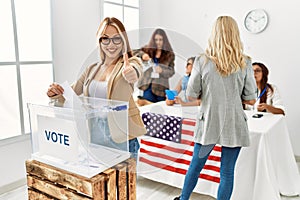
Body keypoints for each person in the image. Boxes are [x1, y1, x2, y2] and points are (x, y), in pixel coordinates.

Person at [174, 16, 257, 200]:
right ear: (236, 34)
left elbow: (191, 95)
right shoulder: (245, 62)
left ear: (214, 34)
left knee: (195, 167)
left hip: (209, 122)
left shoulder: (201, 61)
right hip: (234, 124)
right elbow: (251, 100)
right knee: (227, 172)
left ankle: (183, 199)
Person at [46, 17, 146, 158]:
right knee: (102, 180)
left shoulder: (130, 63)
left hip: (123, 138)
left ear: (123, 40)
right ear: (99, 41)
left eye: (116, 38)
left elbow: (136, 70)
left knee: (123, 180)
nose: (111, 44)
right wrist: (55, 93)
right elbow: (71, 94)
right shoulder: (91, 69)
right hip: (96, 138)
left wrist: (132, 73)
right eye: (105, 38)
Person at [136, 28, 175, 105]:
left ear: (164, 41)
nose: (158, 42)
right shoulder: (147, 49)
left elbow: (171, 71)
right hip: (147, 86)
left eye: (160, 40)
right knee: (147, 110)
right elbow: (135, 52)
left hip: (161, 89)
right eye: (156, 40)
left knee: (159, 111)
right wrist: (143, 55)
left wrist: (162, 71)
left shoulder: (169, 54)